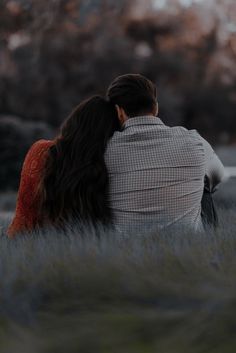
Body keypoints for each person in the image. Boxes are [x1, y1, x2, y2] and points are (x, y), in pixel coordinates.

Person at [105, 73, 225, 232]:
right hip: (187, 248)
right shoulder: (194, 141)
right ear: (156, 107)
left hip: (124, 251)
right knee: (204, 189)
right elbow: (218, 176)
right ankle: (211, 247)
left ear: (118, 111)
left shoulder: (104, 149)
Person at [7, 96, 120, 237]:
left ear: (74, 122)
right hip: (97, 249)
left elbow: (24, 216)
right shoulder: (113, 159)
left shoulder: (42, 152)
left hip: (41, 247)